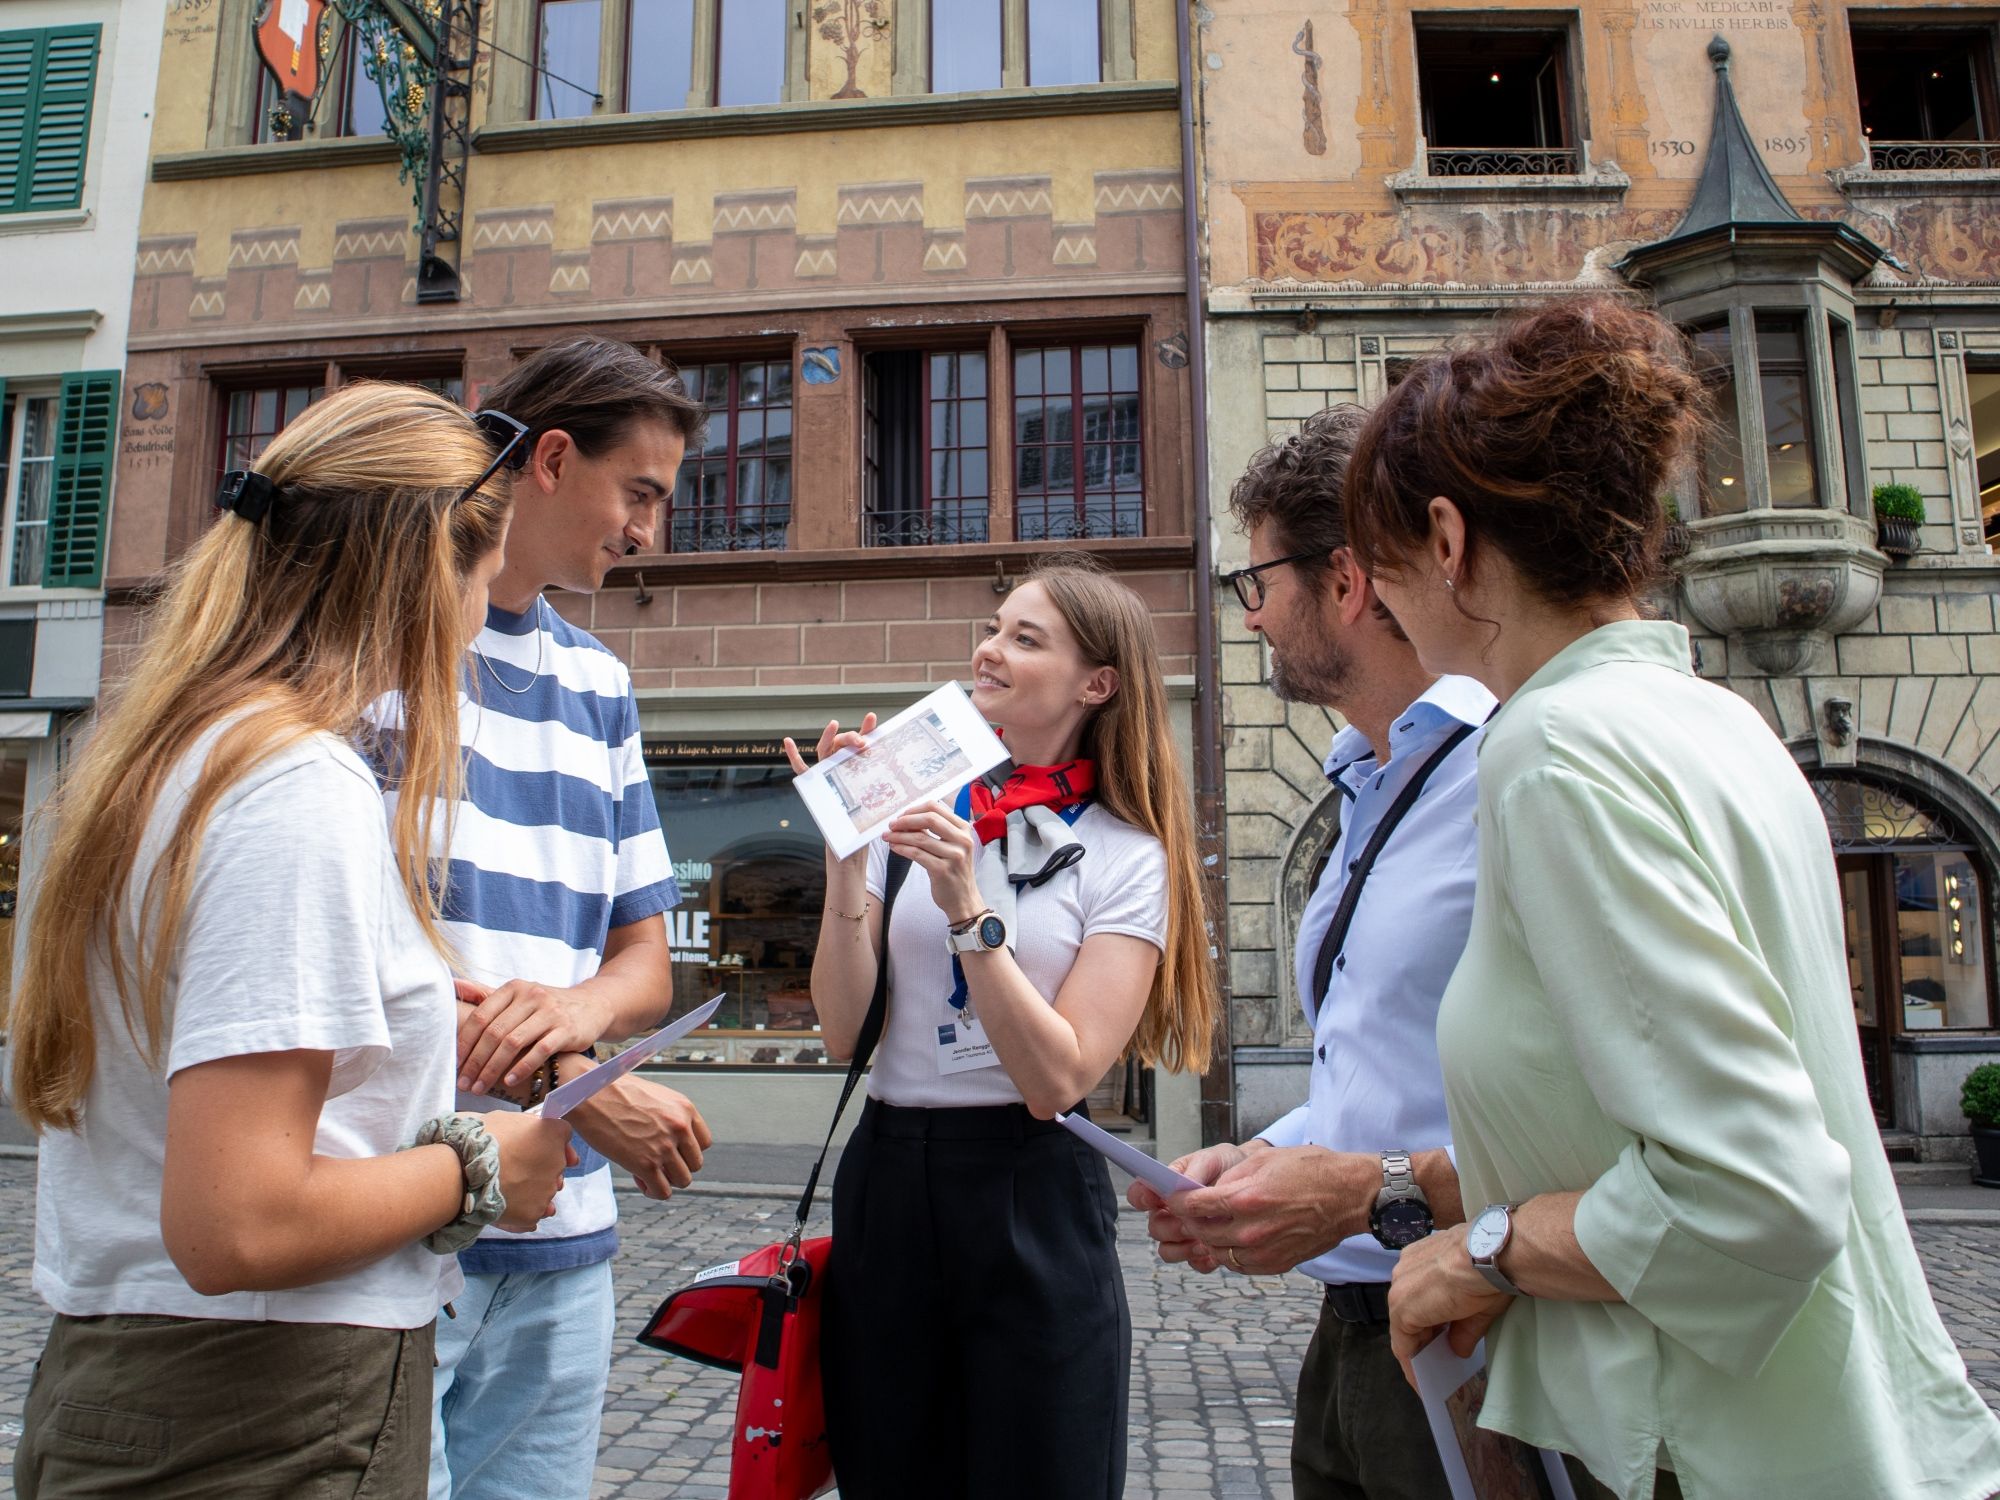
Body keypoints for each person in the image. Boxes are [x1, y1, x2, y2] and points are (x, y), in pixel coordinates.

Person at [1346, 297, 2000, 1499]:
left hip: (1701, 1448)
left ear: (1444, 540)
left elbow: (1751, 1189)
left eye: (1376, 563)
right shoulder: (1707, 719)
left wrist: (1481, 1253)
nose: (1375, 600)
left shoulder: (1555, 749)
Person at [11, 382, 575, 1497]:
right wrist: (481, 1165)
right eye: (485, 574)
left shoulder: (183, 750)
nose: (483, 614)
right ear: (426, 575)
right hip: (266, 1400)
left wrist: (400, 1025)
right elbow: (239, 1224)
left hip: (145, 1379)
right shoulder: (296, 783)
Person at [783, 557, 1219, 1500]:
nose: (989, 648)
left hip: (1030, 1187)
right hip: (890, 1177)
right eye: (994, 626)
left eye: (1026, 638)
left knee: (1043, 1470)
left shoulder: (1124, 852)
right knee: (889, 1470)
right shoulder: (925, 809)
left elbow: (1058, 1080)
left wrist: (967, 909)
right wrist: (846, 861)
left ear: (1096, 683)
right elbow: (842, 1032)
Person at [1132, 405, 1491, 1500]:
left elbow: (1620, 1126)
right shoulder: (1362, 781)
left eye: (1257, 586)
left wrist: (1360, 1192)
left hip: (1485, 1324)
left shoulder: (1516, 767)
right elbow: (1380, 1060)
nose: (1248, 619)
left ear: (1343, 580)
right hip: (1353, 1324)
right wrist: (1261, 1155)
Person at [411, 336, 715, 1500]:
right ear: (546, 459)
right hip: (402, 1217)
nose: (647, 531)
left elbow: (644, 961)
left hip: (566, 1241)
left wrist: (577, 1029)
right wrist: (583, 1071)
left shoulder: (599, 684)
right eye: (638, 492)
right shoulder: (384, 652)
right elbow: (356, 966)